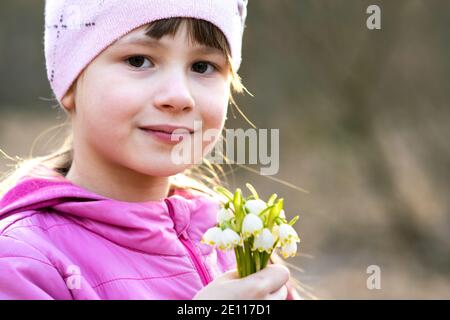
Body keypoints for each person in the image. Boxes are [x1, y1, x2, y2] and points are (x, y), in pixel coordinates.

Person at [0, 0, 301, 300]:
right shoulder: (22, 261)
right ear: (70, 81)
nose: (179, 96)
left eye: (202, 66)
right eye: (139, 61)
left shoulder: (234, 240)